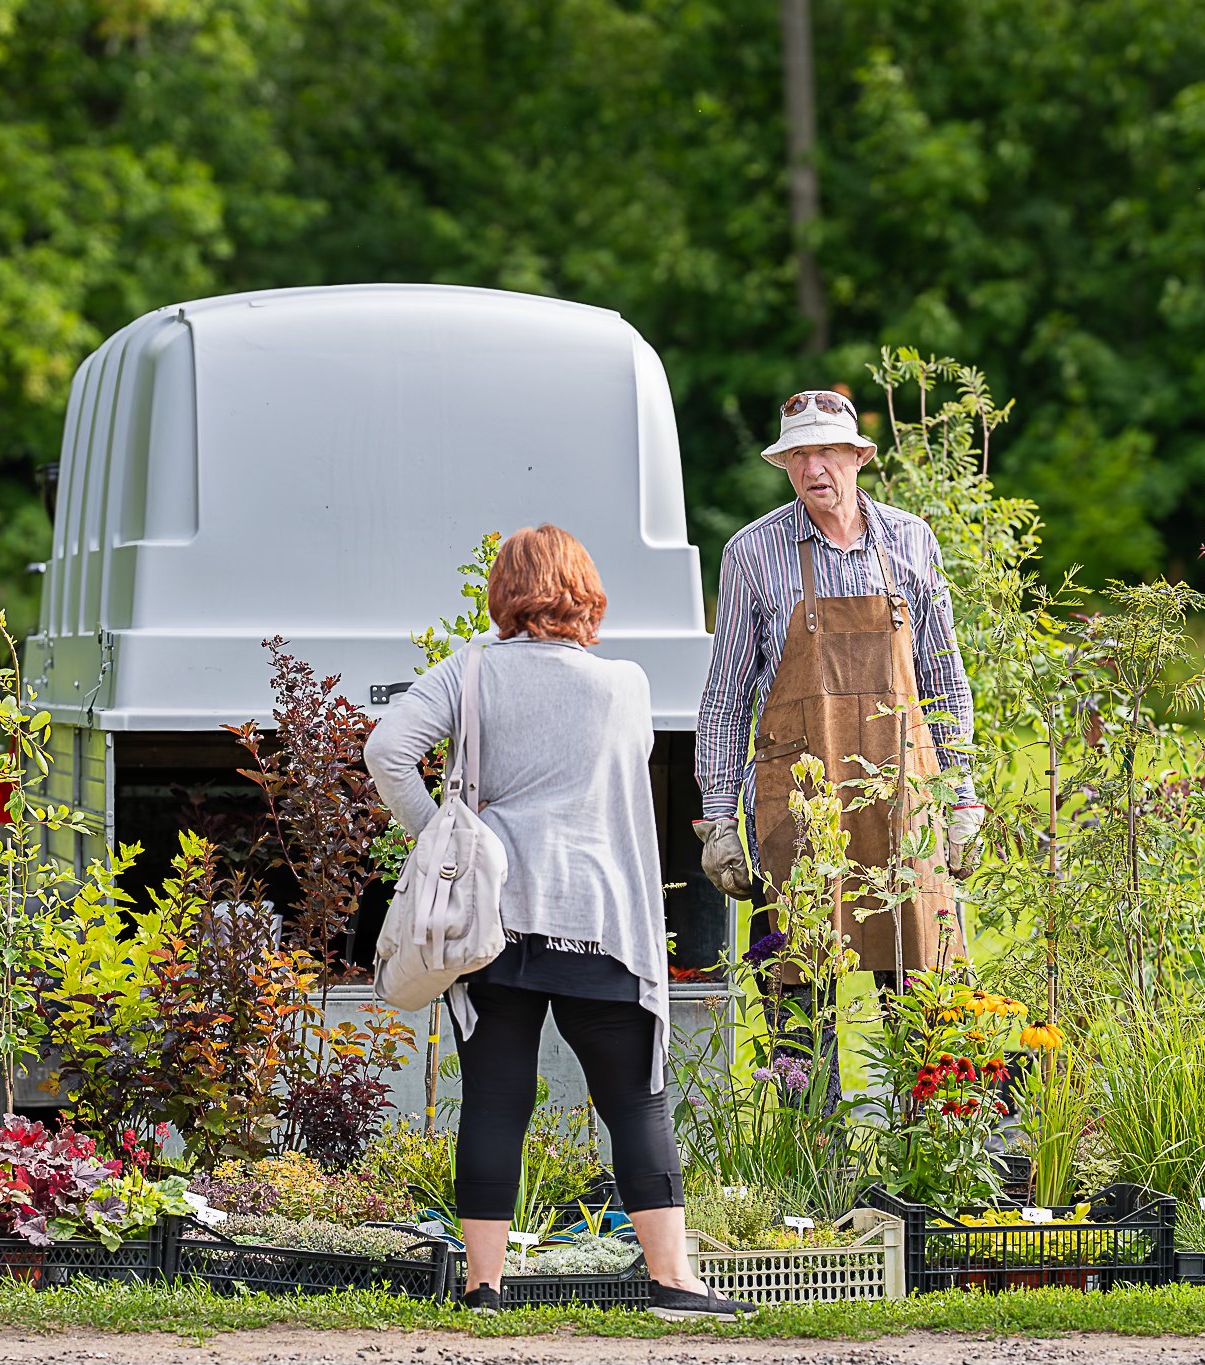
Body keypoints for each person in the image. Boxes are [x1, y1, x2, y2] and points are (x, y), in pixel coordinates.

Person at [365, 524, 755, 1321]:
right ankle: (675, 1282)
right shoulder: (624, 684)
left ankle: (484, 1288)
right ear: (585, 594)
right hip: (600, 919)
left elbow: (386, 749)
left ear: (503, 593)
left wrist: (440, 834)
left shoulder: (466, 671)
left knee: (495, 1101)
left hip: (493, 923)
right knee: (636, 1101)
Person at [695, 388, 982, 987]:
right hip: (799, 804)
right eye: (797, 455)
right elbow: (724, 701)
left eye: (827, 451)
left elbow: (944, 680)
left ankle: (918, 1086)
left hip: (903, 796)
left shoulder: (911, 542)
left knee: (922, 997)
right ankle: (808, 1086)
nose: (811, 468)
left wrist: (961, 797)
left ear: (858, 458)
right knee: (798, 997)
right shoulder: (752, 552)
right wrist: (719, 819)